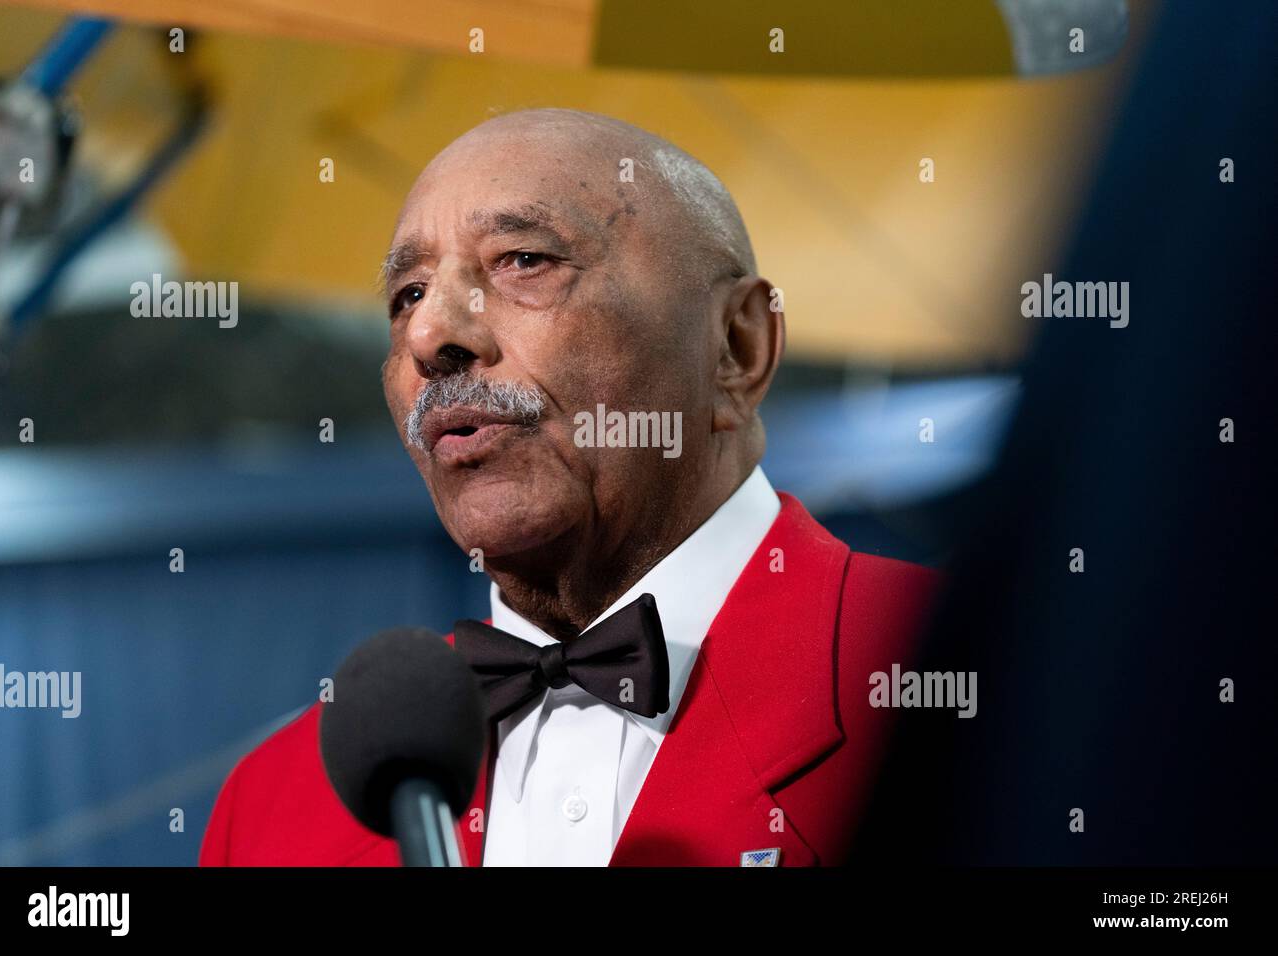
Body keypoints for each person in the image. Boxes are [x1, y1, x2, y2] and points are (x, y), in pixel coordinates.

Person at [199, 108, 939, 867]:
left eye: (523, 260)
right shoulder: (268, 813)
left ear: (735, 347)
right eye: (408, 295)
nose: (429, 336)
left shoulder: (972, 672)